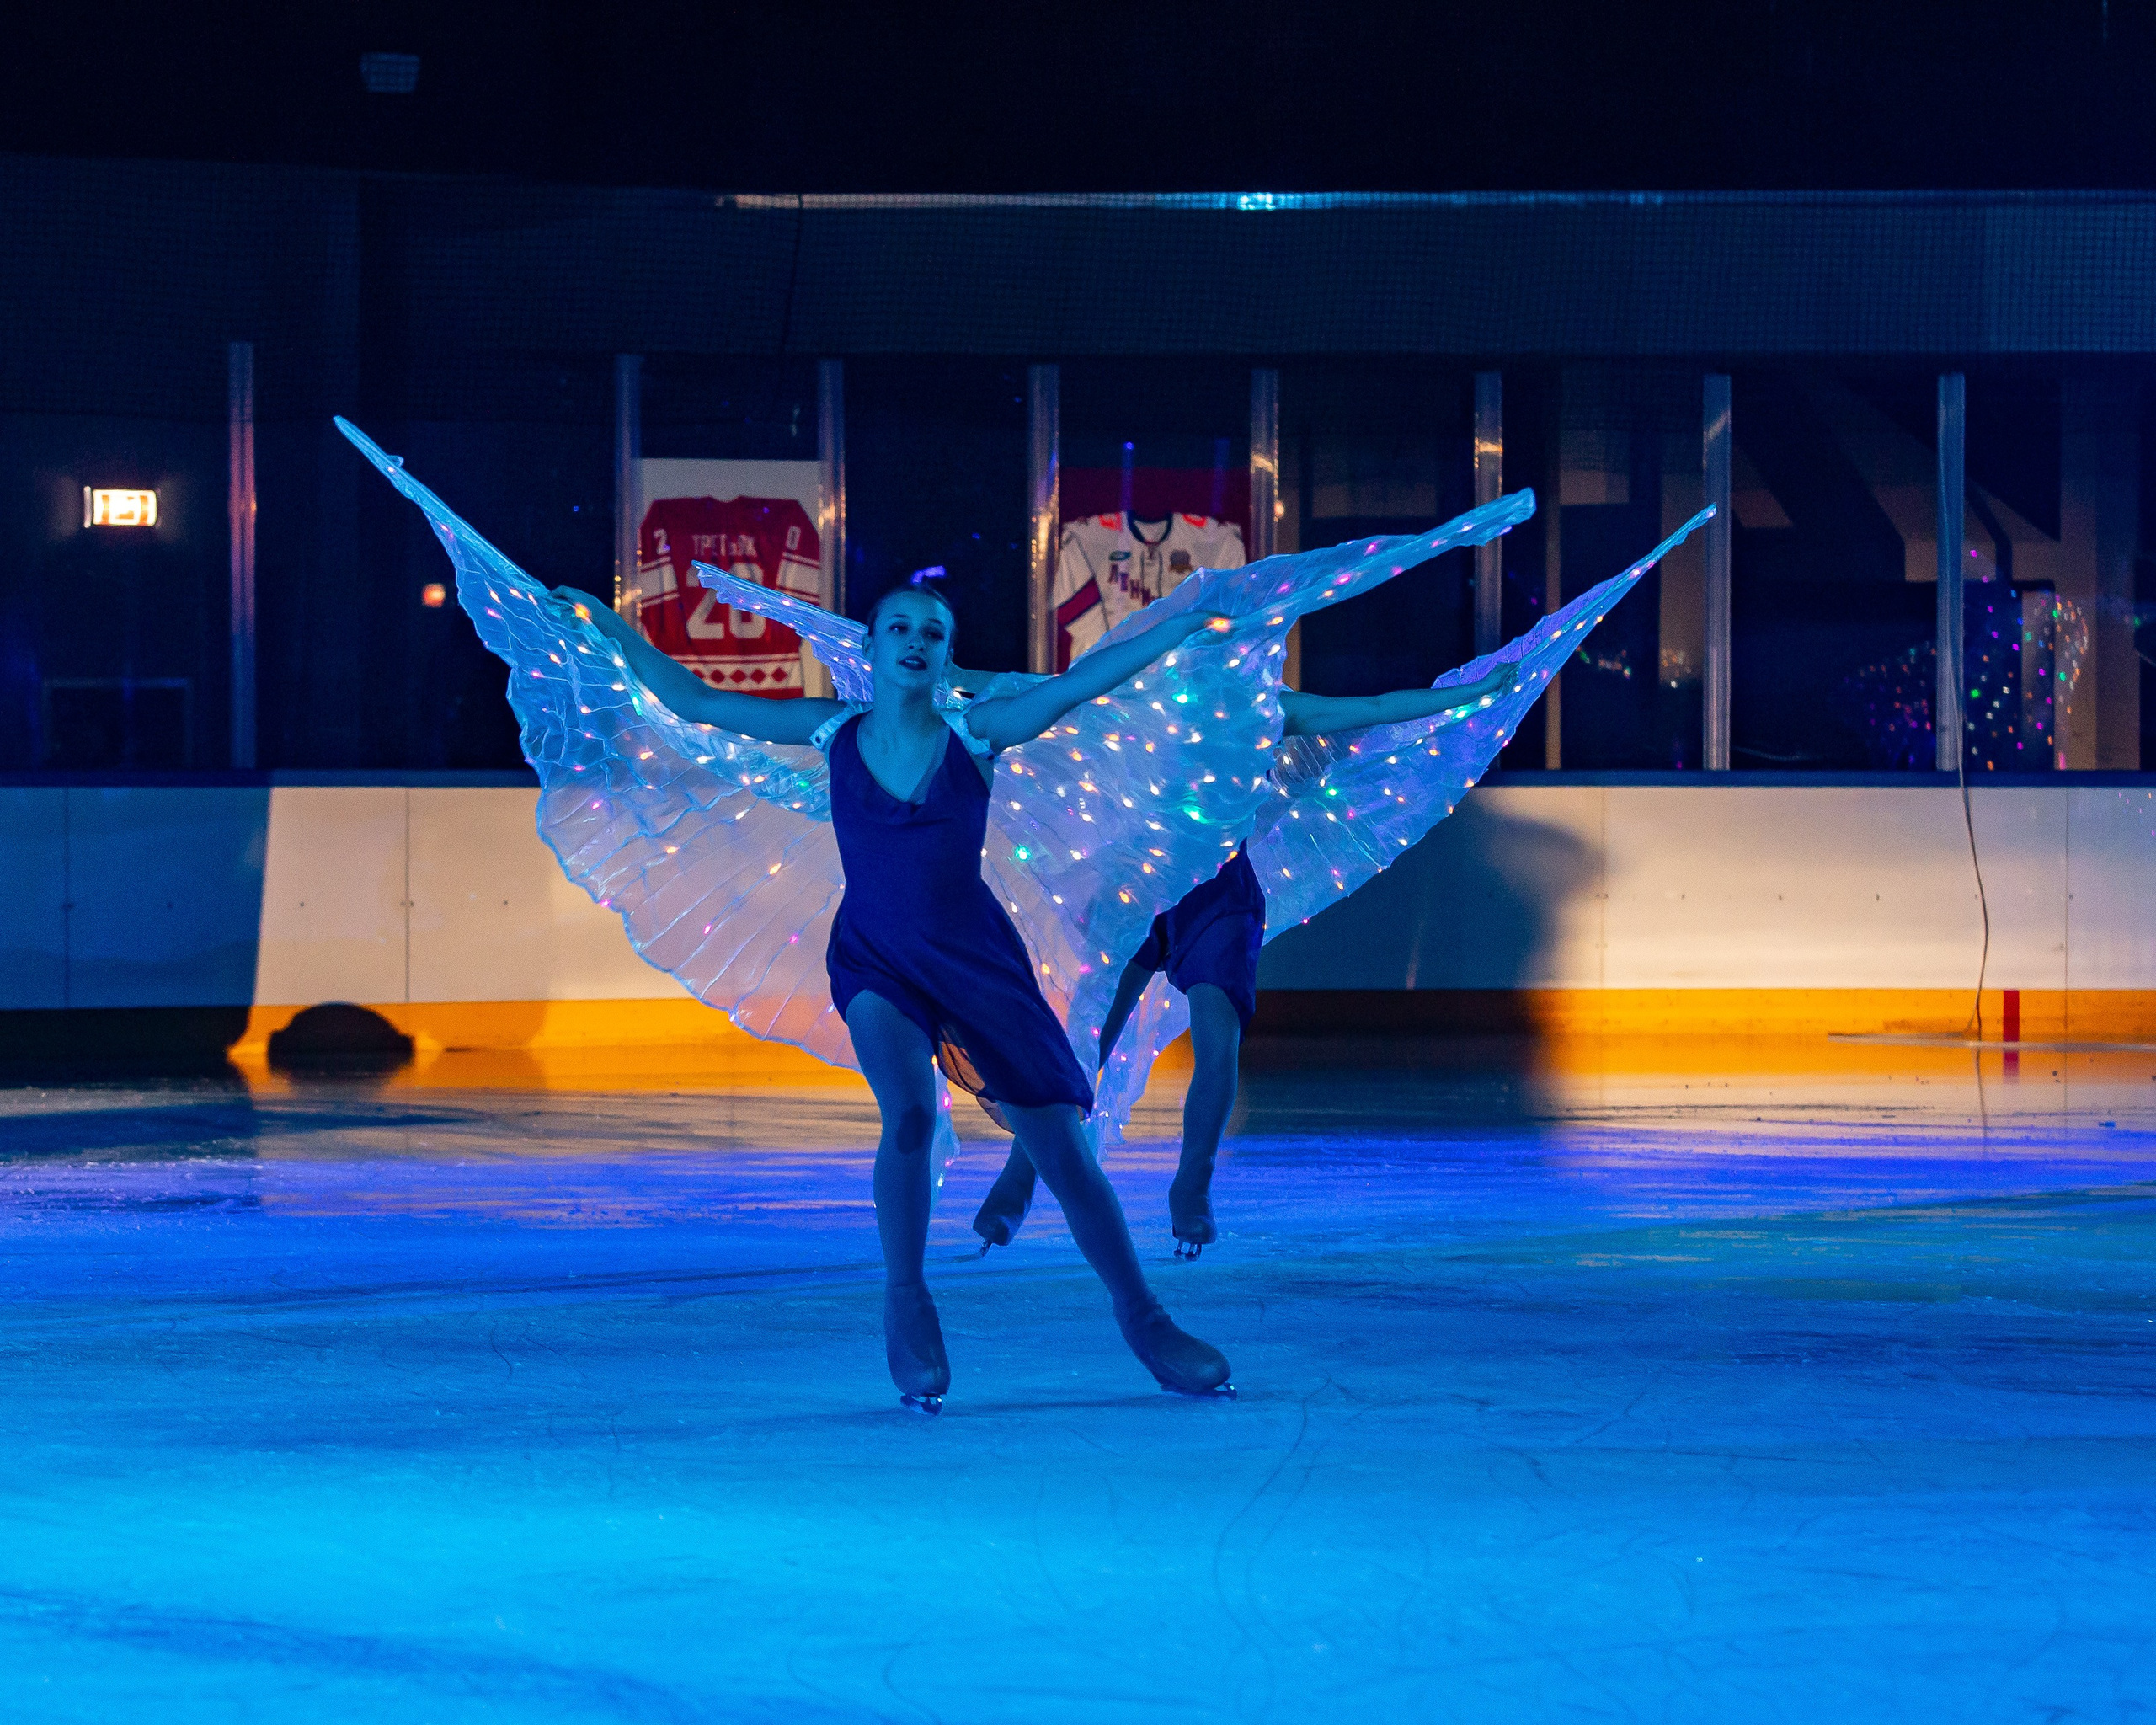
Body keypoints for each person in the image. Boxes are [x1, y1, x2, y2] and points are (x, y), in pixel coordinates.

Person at [563, 578, 1238, 1412]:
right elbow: (694, 700)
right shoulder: (833, 732)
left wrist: (1178, 630)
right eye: (898, 628)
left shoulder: (976, 732)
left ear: (944, 654)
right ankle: (907, 1298)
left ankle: (1144, 1317)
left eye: (931, 631)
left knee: (1062, 1146)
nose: (914, 641)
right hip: (875, 959)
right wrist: (606, 627)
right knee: (910, 1114)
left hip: (976, 965)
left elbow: (1076, 684)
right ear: (872, 648)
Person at [969, 666, 1518, 1258]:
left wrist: (1469, 692)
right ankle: (1019, 1178)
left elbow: (1379, 701)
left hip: (1219, 900)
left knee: (1217, 1038)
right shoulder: (1143, 697)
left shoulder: (1269, 709)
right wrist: (942, 675)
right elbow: (1021, 690)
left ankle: (1193, 1184)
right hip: (1141, 886)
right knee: (1087, 1038)